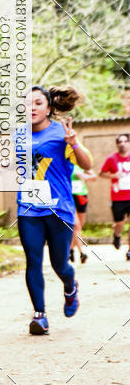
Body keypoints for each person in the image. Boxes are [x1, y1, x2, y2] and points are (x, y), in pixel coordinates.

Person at [17, 85, 92, 336]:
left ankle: (70, 287)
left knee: (60, 265)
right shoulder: (18, 136)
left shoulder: (62, 133)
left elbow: (87, 164)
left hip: (59, 209)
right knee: (33, 261)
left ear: (49, 108)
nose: (32, 108)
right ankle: (40, 315)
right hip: (29, 209)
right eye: (27, 104)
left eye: (38, 103)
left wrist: (75, 144)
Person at [99, 132, 130, 260]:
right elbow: (102, 173)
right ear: (117, 145)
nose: (122, 144)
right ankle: (117, 235)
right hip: (118, 197)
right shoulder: (112, 159)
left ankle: (129, 250)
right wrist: (113, 176)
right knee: (119, 223)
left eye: (124, 141)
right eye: (119, 142)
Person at [69, 161, 96, 263]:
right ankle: (82, 253)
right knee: (76, 225)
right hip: (69, 197)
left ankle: (70, 250)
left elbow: (94, 176)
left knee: (79, 226)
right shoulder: (65, 163)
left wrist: (84, 176)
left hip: (81, 195)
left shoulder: (80, 163)